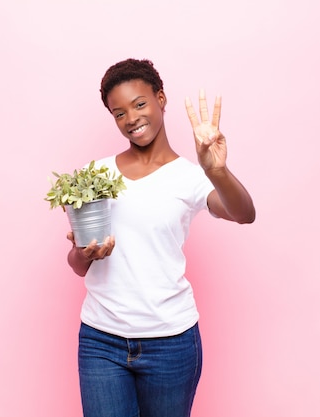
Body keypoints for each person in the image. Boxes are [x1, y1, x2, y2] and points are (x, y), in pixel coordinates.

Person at [65, 58, 255, 417]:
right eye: (118, 113)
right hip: (101, 340)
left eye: (139, 104)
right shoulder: (96, 173)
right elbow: (77, 265)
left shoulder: (190, 177)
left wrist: (217, 170)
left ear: (161, 99)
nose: (131, 119)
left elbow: (244, 214)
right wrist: (85, 252)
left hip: (171, 341)